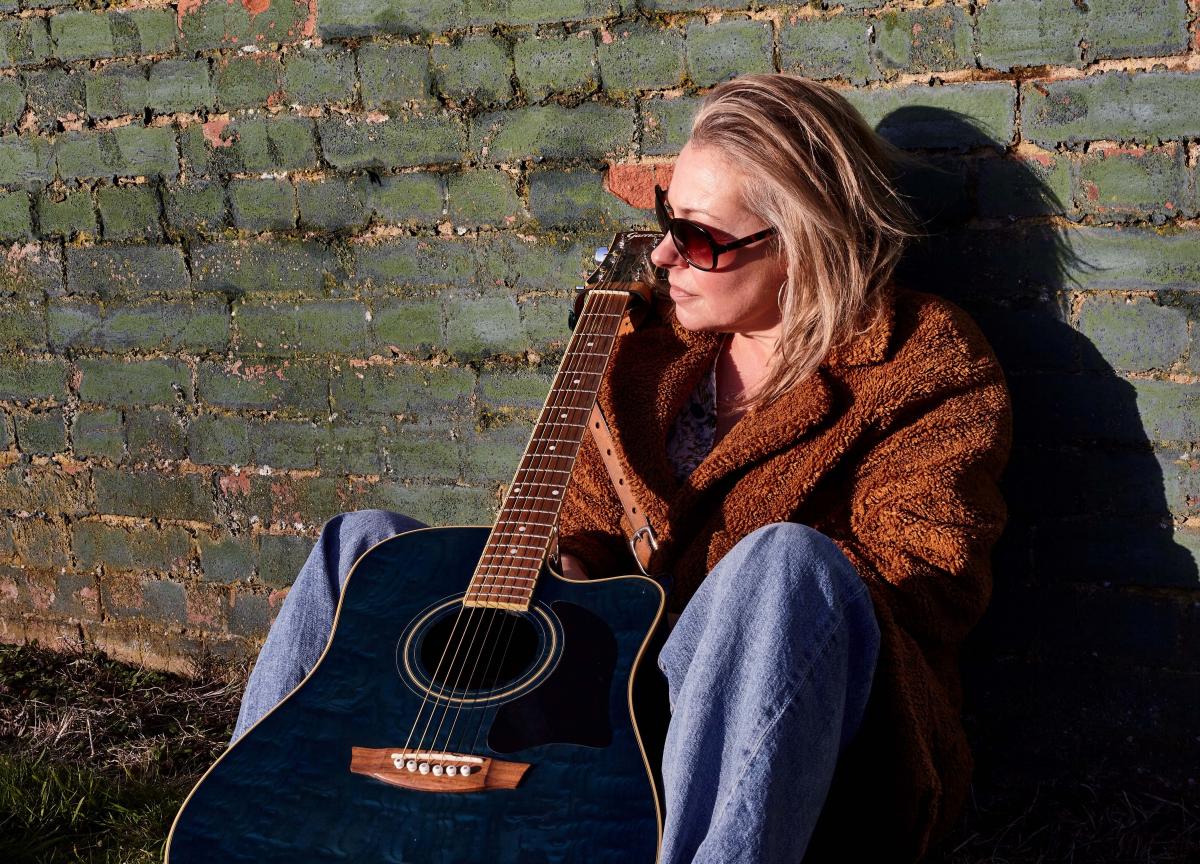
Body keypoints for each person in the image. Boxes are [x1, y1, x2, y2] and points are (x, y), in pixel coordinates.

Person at [230, 73, 1012, 863]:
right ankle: (261, 823)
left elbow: (933, 578)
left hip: (777, 720)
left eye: (700, 237)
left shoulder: (921, 360)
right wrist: (572, 573)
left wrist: (702, 603)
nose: (666, 253)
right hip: (603, 695)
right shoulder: (642, 351)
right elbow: (588, 530)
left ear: (800, 242)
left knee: (783, 563)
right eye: (668, 218)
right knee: (359, 542)